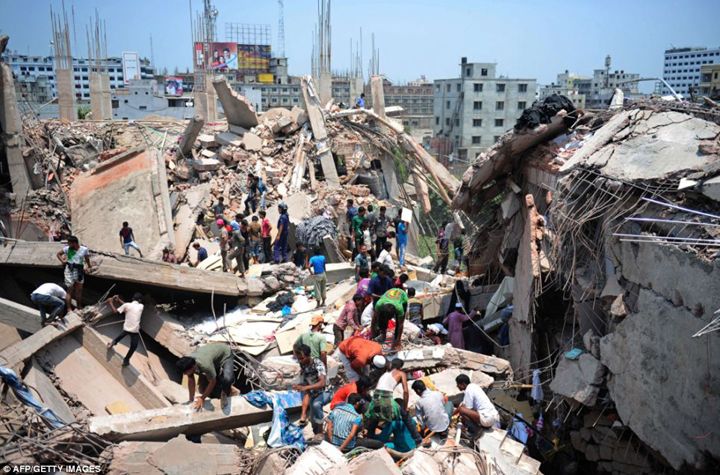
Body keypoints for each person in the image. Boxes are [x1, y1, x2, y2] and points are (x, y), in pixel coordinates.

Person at [176, 343, 236, 410]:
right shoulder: (189, 363)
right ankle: (216, 390)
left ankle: (225, 393)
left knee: (227, 379)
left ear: (193, 367)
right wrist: (191, 399)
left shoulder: (205, 365)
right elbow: (191, 381)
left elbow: (212, 382)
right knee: (212, 375)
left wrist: (202, 398)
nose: (185, 374)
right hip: (212, 356)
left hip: (225, 354)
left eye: (186, 372)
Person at [293, 343, 332, 434]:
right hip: (314, 393)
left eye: (302, 358)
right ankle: (317, 434)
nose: (300, 361)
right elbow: (306, 390)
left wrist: (305, 387)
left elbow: (322, 383)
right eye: (299, 359)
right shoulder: (303, 364)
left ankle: (321, 433)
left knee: (316, 405)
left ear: (308, 356)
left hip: (325, 391)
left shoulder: (318, 364)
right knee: (314, 423)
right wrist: (303, 414)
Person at [107, 293, 144, 367]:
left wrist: (111, 302)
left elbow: (116, 311)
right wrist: (119, 300)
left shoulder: (127, 305)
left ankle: (112, 343)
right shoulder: (141, 306)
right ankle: (126, 360)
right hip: (135, 330)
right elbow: (130, 307)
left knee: (122, 334)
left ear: (132, 299)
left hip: (127, 328)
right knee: (133, 346)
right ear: (140, 300)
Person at [56, 235, 92, 310]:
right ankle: (69, 309)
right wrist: (63, 261)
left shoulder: (84, 249)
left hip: (79, 270)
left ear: (74, 243)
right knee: (70, 290)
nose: (68, 245)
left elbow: (87, 258)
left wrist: (89, 266)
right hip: (69, 270)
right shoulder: (67, 249)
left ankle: (79, 306)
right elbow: (58, 254)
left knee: (79, 290)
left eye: (69, 243)